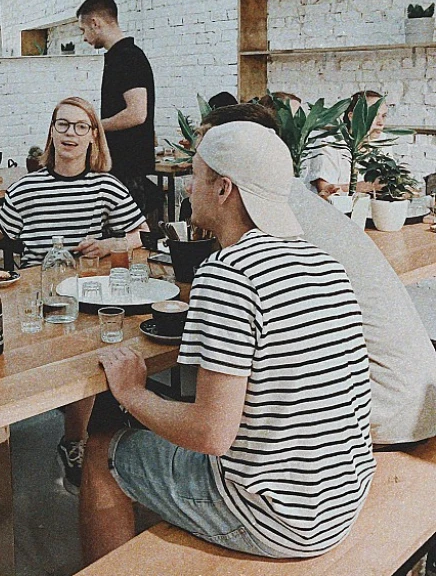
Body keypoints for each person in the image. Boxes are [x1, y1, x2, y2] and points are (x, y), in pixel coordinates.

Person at [80, 120, 374, 564]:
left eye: (195, 175)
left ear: (223, 189)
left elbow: (211, 434)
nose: (187, 187)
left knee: (103, 449)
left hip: (279, 519)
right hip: (342, 498)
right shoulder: (325, 264)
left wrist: (131, 392)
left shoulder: (228, 273)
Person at [202, 102, 436, 447]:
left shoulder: (272, 222)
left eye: (207, 155)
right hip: (415, 396)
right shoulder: (298, 201)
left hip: (383, 411)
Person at [0, 96, 148, 492]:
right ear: (52, 132)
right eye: (63, 125)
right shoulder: (28, 187)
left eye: (80, 126)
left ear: (93, 137)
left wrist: (111, 243)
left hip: (86, 299)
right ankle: (2, 439)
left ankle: (74, 439)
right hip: (36, 300)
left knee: (88, 351)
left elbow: (141, 233)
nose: (70, 133)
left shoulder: (105, 186)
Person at [76, 0, 160, 217]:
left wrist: (94, 125)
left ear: (95, 23)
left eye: (83, 30)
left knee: (126, 232)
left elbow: (137, 113)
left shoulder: (128, 57)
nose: (83, 38)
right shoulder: (119, 56)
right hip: (120, 165)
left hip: (128, 167)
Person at [303, 89, 387, 198]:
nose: (381, 123)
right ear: (352, 117)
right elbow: (325, 191)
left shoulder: (381, 142)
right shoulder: (329, 143)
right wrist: (368, 186)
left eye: (383, 116)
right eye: (373, 115)